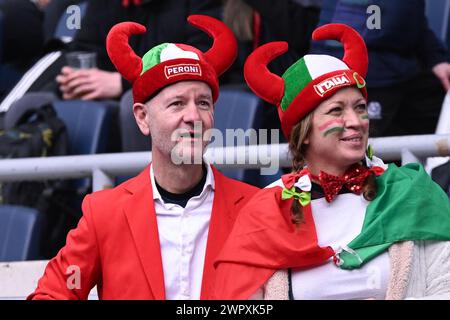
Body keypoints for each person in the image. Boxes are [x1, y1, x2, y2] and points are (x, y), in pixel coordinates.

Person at [28, 15, 259, 300]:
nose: (193, 117)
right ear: (142, 118)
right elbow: (54, 293)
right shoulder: (105, 214)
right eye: (177, 104)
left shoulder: (255, 208)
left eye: (203, 103)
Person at [212, 23, 450, 300]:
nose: (355, 122)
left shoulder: (410, 191)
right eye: (336, 110)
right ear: (304, 134)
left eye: (359, 108)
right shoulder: (267, 209)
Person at [311, 0, 450, 137]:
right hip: (363, 77)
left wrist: (436, 58)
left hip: (401, 74)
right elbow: (345, 33)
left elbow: (410, 19)